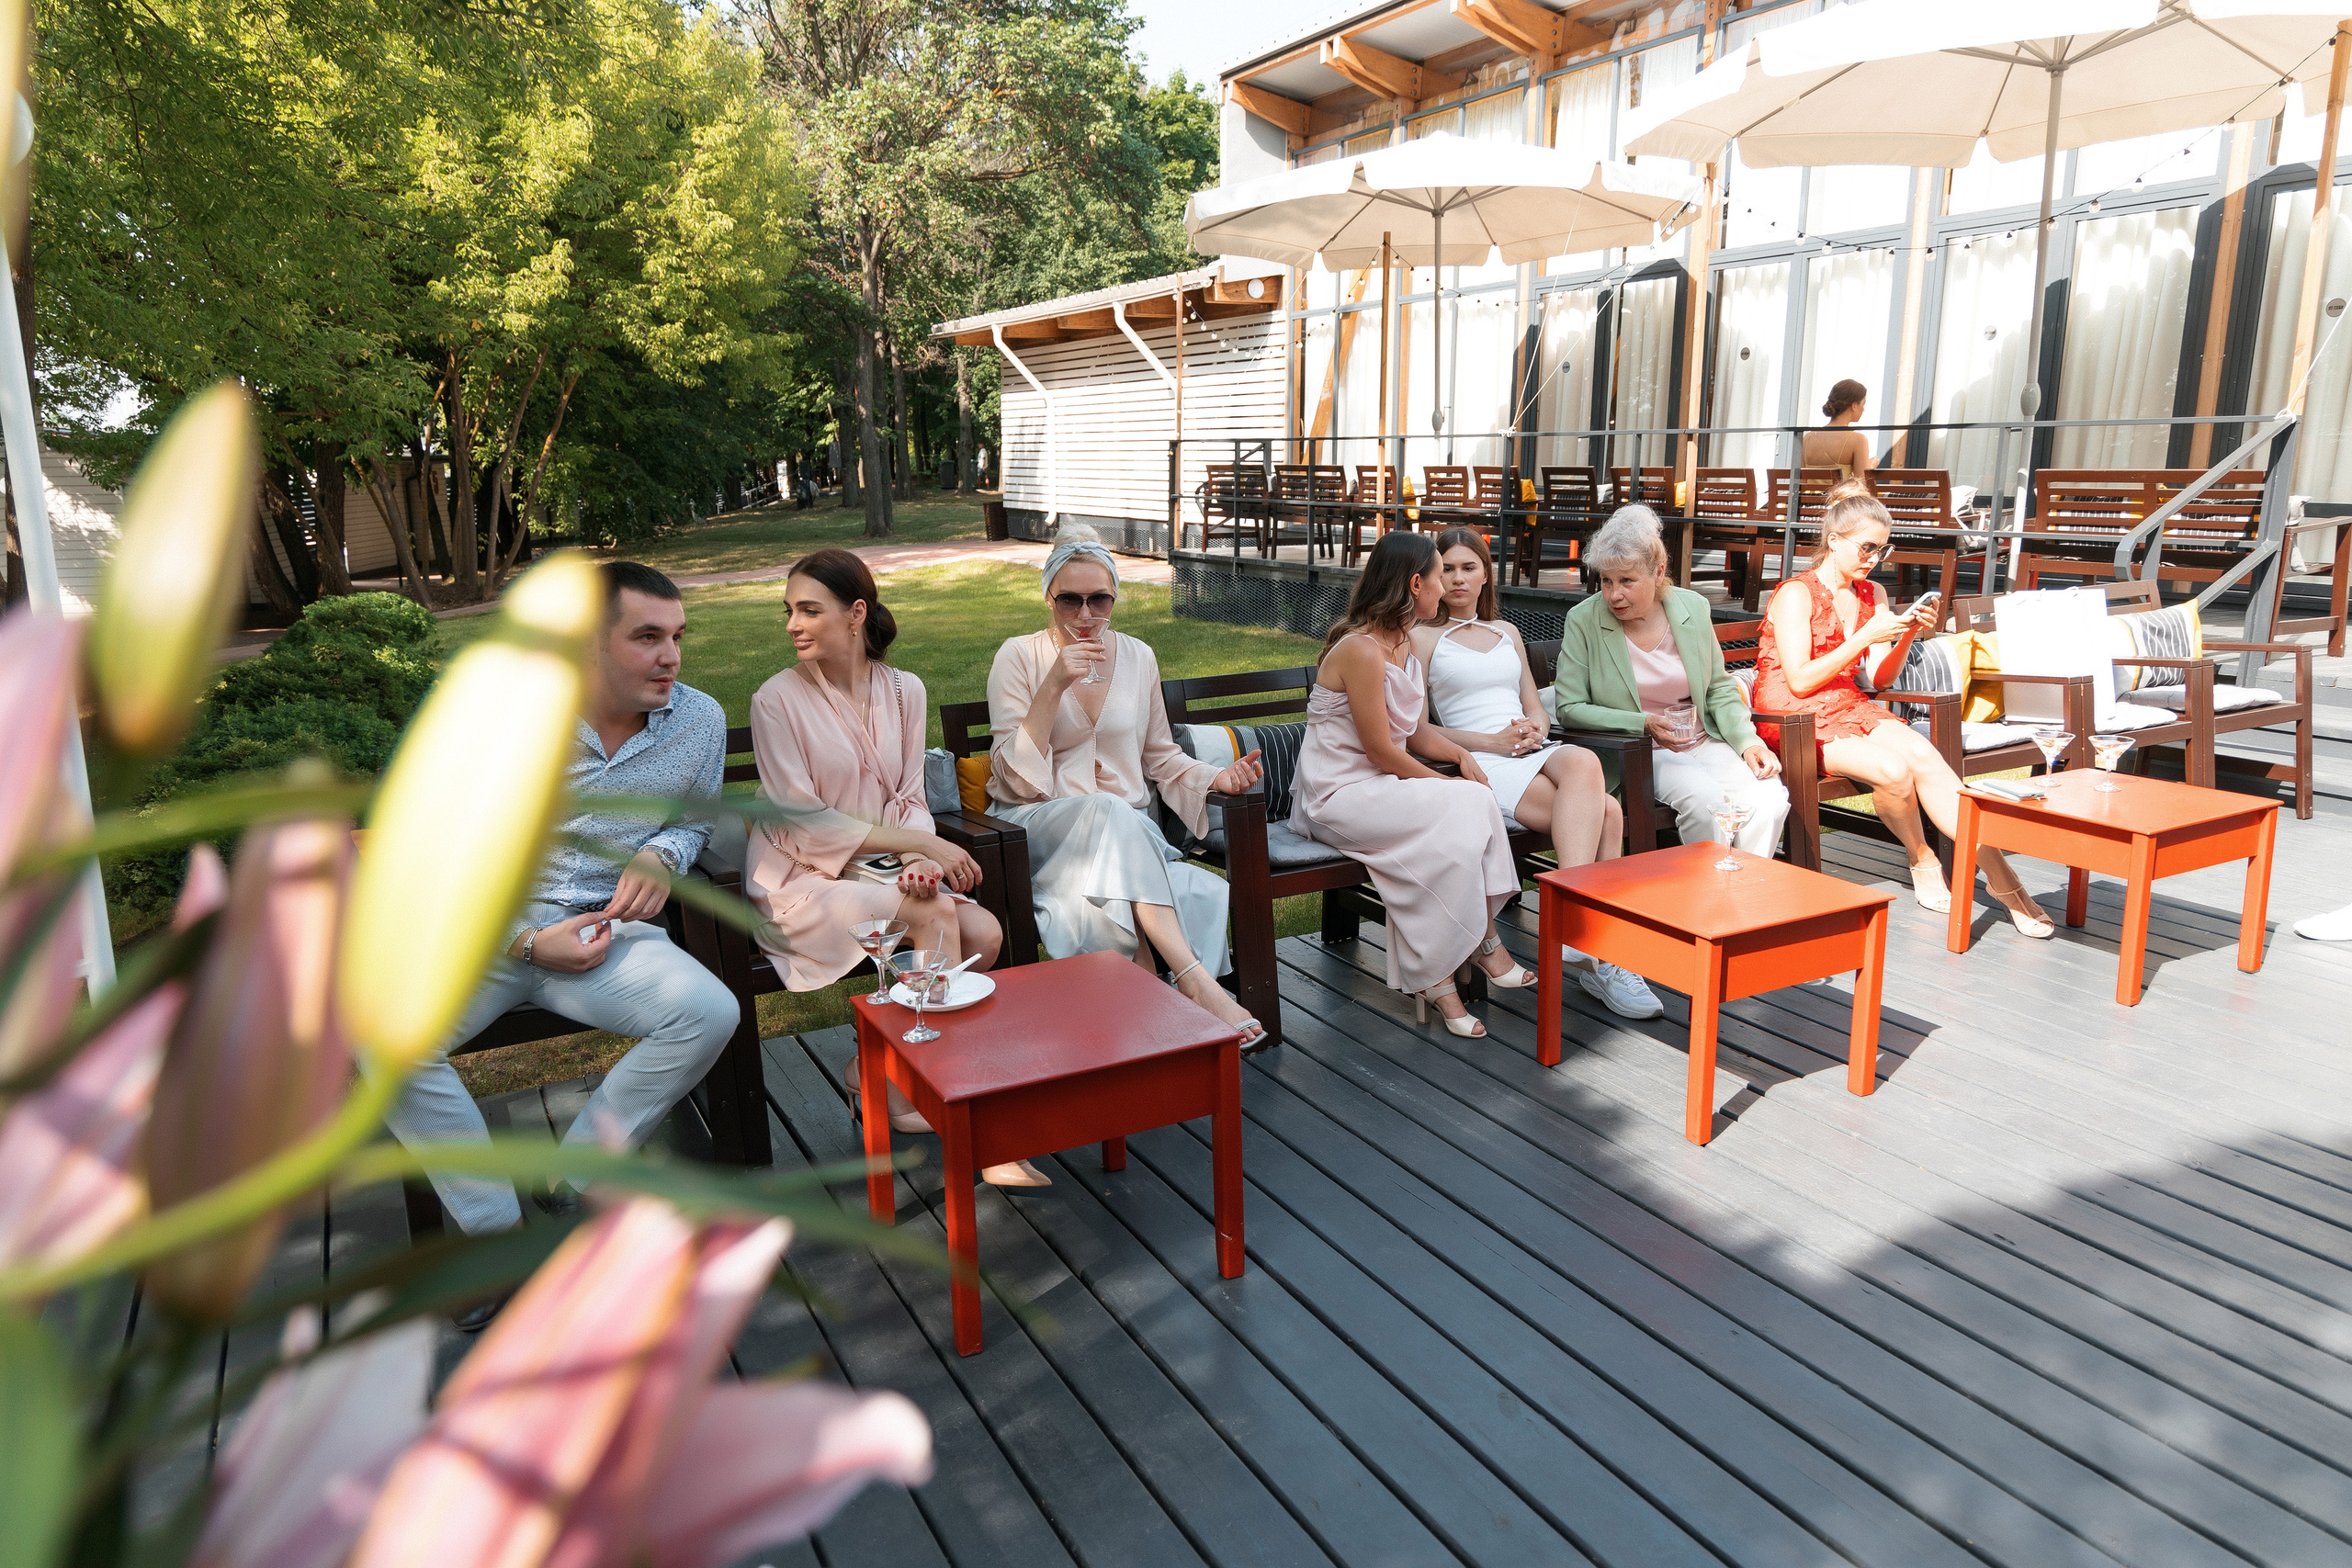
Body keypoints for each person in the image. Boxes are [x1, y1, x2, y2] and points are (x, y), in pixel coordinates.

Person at [384, 561, 739, 1254]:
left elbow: (694, 821)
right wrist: (523, 940)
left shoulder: (698, 720)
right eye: (646, 637)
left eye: (677, 636)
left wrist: (661, 853)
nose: (670, 655)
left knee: (709, 1012)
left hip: (610, 935)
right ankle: (496, 1227)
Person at [742, 551, 1038, 1184]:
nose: (792, 624)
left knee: (983, 933)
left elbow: (907, 795)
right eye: (788, 611)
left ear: (856, 614)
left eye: (809, 610)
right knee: (935, 916)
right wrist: (920, 849)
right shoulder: (775, 700)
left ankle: (876, 1070)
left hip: (880, 870)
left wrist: (916, 857)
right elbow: (801, 819)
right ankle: (951, 1103)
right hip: (803, 877)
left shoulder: (905, 690)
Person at [985, 524, 1267, 1046]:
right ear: (1048, 597)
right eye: (1070, 600)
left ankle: (1148, 1028)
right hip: (1040, 827)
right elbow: (1012, 779)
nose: (1085, 615)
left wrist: (1216, 777)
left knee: (1113, 854)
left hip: (1123, 838)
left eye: (1099, 599)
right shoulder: (1018, 657)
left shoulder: (1138, 656)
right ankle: (1193, 979)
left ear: (1115, 596)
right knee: (1109, 809)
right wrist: (1054, 684)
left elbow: (1160, 754)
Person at [1752, 492, 2052, 935]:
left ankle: (2003, 879)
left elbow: (1880, 677)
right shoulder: (1796, 593)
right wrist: (1864, 637)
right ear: (1834, 541)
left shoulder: (1872, 593)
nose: (1874, 559)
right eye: (1866, 547)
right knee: (1892, 771)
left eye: (1882, 549)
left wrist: (1907, 633)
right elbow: (1798, 680)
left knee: (1926, 757)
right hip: (1791, 716)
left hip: (1844, 702)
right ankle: (1922, 857)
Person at [1412, 525, 1663, 1021]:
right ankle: (1597, 948)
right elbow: (1418, 731)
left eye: (1469, 567)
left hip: (1529, 748)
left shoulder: (1507, 632)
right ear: (1433, 577)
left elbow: (1534, 706)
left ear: (1486, 575)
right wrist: (1492, 743)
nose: (1458, 579)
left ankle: (1573, 921)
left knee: (1583, 761)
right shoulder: (1422, 639)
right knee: (1608, 812)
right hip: (1480, 758)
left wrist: (1534, 729)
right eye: (1448, 569)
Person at [1291, 530, 1525, 1037]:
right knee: (1465, 803)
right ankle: (1483, 945)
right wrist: (1446, 787)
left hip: (1381, 789)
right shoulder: (1361, 651)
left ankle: (1441, 977)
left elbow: (1415, 734)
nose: (1445, 588)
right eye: (1439, 576)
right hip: (1337, 795)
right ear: (1416, 584)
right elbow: (1381, 750)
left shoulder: (1406, 645)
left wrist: (1460, 755)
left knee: (1462, 817)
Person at [1555, 506, 1792, 860]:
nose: (1614, 594)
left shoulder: (1692, 608)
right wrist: (1644, 723)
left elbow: (1718, 688)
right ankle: (1705, 888)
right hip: (1640, 751)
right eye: (1606, 581)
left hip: (1702, 739)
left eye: (1627, 581)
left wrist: (1748, 743)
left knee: (1769, 800)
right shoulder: (1584, 620)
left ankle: (1739, 884)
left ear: (1658, 572)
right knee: (1705, 803)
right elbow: (1569, 708)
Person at [1802, 379, 1877, 482]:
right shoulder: (1858, 440)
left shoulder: (1807, 438)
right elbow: (1862, 484)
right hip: (1840, 493)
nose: (1863, 409)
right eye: (1863, 404)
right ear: (1854, 406)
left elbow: (1800, 482)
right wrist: (1870, 467)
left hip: (1808, 493)